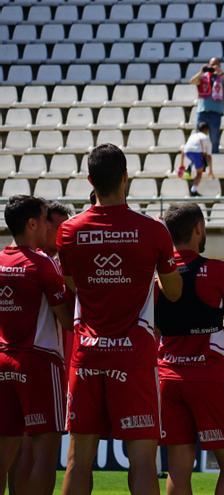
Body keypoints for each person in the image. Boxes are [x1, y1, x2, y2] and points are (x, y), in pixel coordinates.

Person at [58, 144, 183, 495]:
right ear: (126, 178)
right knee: (142, 459)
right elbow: (173, 292)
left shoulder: (69, 231)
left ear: (89, 180)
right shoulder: (154, 230)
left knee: (78, 460)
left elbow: (72, 284)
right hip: (134, 355)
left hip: (87, 352)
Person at [156, 203, 224, 495]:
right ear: (198, 228)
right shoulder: (218, 271)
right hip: (207, 377)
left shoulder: (156, 277)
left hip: (168, 377)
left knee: (178, 469)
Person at [0, 195, 72, 495]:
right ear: (32, 224)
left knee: (5, 450)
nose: (48, 228)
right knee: (46, 450)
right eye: (45, 220)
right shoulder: (43, 264)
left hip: (3, 360)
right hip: (39, 362)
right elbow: (67, 320)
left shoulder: (1, 260)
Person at [189, 58, 224, 154]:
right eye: (212, 64)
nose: (213, 67)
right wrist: (201, 72)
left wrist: (221, 73)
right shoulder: (203, 77)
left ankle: (214, 158)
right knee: (199, 138)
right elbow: (192, 81)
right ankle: (200, 160)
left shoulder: (221, 77)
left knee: (214, 138)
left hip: (215, 112)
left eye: (216, 64)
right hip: (202, 111)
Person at [179, 121, 215, 197]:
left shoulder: (192, 136)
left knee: (194, 163)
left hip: (187, 153)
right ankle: (193, 190)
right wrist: (211, 171)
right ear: (206, 130)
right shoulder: (206, 138)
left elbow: (183, 150)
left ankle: (187, 170)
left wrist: (181, 164)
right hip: (196, 153)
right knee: (199, 172)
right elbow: (209, 156)